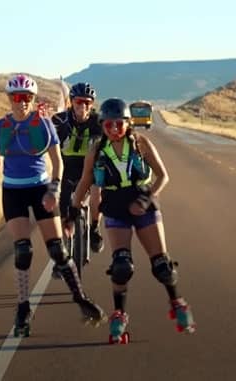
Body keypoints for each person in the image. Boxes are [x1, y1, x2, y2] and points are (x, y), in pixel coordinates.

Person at [0, 74, 106, 337]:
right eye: (16, 97)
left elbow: (57, 161)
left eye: (26, 97)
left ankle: (81, 299)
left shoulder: (44, 125)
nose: (21, 102)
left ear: (32, 99)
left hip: (40, 189)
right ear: (9, 98)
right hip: (12, 191)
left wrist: (54, 188)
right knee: (23, 251)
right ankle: (23, 308)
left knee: (58, 251)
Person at [68, 98, 195, 344]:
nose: (114, 129)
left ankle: (177, 303)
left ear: (128, 123)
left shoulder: (140, 143)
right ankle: (120, 314)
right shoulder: (96, 150)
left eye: (119, 124)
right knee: (121, 266)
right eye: (108, 125)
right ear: (102, 124)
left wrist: (146, 200)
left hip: (142, 203)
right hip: (115, 206)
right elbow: (84, 183)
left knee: (162, 266)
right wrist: (73, 211)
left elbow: (162, 176)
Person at [50, 82, 104, 278]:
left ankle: (95, 228)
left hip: (91, 169)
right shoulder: (60, 120)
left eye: (88, 102)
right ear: (71, 102)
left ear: (92, 104)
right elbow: (44, 137)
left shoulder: (99, 121)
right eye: (79, 102)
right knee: (62, 212)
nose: (83, 106)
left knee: (98, 189)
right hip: (66, 169)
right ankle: (62, 260)